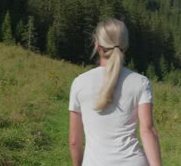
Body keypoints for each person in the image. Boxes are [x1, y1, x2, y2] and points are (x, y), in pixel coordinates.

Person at [69, 18, 162, 166]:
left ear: (97, 44)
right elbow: (148, 131)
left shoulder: (79, 83)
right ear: (126, 45)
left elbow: (75, 141)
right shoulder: (141, 82)